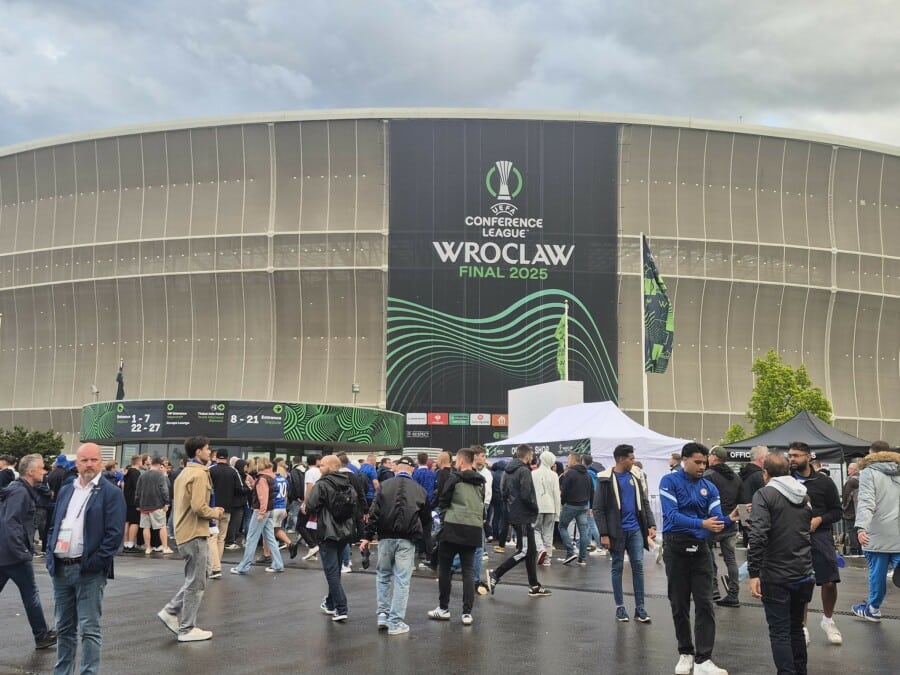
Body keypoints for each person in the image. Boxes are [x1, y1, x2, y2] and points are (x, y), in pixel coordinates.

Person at [46, 442, 126, 675]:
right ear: (77, 463)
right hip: (61, 569)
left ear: (100, 462)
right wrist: (52, 557)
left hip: (88, 571)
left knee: (89, 629)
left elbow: (114, 536)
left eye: (93, 460)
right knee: (64, 628)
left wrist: (94, 563)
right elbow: (54, 526)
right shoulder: (67, 489)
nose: (89, 465)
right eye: (84, 460)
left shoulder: (110, 492)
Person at [660, 442, 734, 675]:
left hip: (701, 548)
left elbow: (716, 521)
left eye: (705, 462)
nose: (702, 466)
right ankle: (685, 653)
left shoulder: (709, 487)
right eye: (698, 462)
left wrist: (730, 518)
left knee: (705, 603)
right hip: (675, 547)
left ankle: (704, 660)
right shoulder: (669, 481)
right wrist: (701, 524)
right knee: (679, 603)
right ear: (684, 460)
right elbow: (671, 516)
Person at [746, 452, 815, 675]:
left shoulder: (764, 495)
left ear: (766, 474)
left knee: (779, 631)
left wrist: (753, 572)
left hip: (776, 574)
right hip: (803, 571)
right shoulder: (803, 495)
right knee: (796, 628)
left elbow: (758, 536)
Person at [157, 437, 224, 643]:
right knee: (197, 582)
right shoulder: (199, 474)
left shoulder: (185, 472)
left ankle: (171, 612)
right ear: (198, 452)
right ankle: (186, 628)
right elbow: (198, 507)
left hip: (185, 531)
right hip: (194, 532)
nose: (209, 451)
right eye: (206, 449)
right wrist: (216, 512)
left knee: (199, 575)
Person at [361, 456, 431, 635]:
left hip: (385, 538)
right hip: (407, 539)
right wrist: (424, 541)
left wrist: (367, 536)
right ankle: (395, 622)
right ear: (412, 470)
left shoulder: (384, 486)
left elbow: (374, 512)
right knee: (402, 580)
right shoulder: (420, 490)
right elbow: (426, 519)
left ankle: (382, 614)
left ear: (395, 468)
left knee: (383, 575)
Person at [788, 441, 843, 645]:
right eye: (790, 455)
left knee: (829, 581)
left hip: (820, 535)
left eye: (796, 456)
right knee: (802, 581)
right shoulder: (785, 480)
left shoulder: (824, 482)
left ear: (808, 457)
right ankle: (801, 625)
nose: (792, 459)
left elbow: (837, 511)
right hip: (793, 536)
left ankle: (828, 620)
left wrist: (820, 519)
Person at [0, 454, 57, 650]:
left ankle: (42, 634)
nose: (45, 471)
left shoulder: (18, 490)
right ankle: (41, 635)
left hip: (6, 553)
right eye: (41, 468)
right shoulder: (20, 493)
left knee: (30, 593)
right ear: (31, 472)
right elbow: (11, 523)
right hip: (14, 555)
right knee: (30, 594)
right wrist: (22, 551)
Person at [594, 444, 656, 623]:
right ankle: (620, 607)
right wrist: (604, 534)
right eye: (631, 458)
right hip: (616, 531)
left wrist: (650, 523)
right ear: (621, 459)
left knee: (638, 566)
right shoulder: (605, 479)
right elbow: (598, 509)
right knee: (618, 567)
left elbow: (644, 502)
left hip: (635, 529)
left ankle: (640, 608)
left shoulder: (635, 476)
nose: (634, 461)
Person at [488, 444, 551, 597]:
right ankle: (495, 575)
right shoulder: (524, 471)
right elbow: (526, 494)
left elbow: (503, 492)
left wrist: (510, 507)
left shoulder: (507, 471)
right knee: (524, 551)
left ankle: (534, 585)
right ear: (528, 456)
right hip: (523, 515)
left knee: (531, 551)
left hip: (513, 513)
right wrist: (535, 508)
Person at [430, 448, 485, 624]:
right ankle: (467, 613)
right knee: (468, 571)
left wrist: (444, 519)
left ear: (460, 461)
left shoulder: (454, 478)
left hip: (453, 527)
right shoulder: (480, 482)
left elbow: (443, 501)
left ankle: (444, 608)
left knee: (445, 569)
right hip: (473, 529)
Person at [306, 455, 358, 622]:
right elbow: (356, 504)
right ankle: (330, 603)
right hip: (345, 532)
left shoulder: (322, 484)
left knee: (331, 572)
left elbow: (311, 506)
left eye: (322, 466)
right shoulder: (348, 483)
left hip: (327, 532)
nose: (320, 468)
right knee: (335, 571)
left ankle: (341, 607)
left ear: (330, 467)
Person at [851, 447, 900, 622]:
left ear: (871, 454)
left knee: (877, 572)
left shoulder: (868, 472)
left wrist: (861, 527)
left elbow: (866, 501)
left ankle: (873, 608)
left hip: (877, 532)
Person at [231, 457, 284, 574]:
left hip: (261, 511)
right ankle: (278, 564)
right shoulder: (271, 477)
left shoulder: (262, 479)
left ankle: (243, 567)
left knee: (251, 539)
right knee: (270, 538)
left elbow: (262, 497)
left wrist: (261, 512)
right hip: (269, 511)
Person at [704, 446, 742, 607]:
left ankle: (713, 590)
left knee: (708, 557)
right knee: (731, 560)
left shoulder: (708, 475)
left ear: (713, 457)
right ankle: (733, 593)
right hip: (731, 522)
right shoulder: (736, 477)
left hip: (713, 522)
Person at [208, 449, 243, 578]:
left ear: (216, 457)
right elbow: (239, 489)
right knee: (221, 538)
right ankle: (218, 564)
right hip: (227, 508)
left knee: (212, 537)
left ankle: (215, 566)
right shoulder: (233, 471)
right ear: (227, 458)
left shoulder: (210, 470)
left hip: (213, 508)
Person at [558, 453, 594, 566]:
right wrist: (591, 506)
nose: (567, 462)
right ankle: (582, 558)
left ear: (574, 460)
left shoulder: (571, 473)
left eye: (568, 459)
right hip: (584, 506)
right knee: (583, 532)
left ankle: (570, 552)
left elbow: (565, 490)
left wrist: (562, 502)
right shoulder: (587, 474)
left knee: (562, 527)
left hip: (571, 505)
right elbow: (592, 491)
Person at [134, 456, 173, 555]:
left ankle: (148, 548)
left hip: (144, 505)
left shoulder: (142, 475)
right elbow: (164, 490)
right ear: (160, 465)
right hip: (157, 505)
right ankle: (165, 547)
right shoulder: (160, 475)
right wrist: (167, 503)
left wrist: (137, 503)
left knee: (146, 527)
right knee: (162, 526)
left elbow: (137, 491)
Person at [532, 450, 561, 566]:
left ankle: (540, 548)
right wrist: (558, 512)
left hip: (537, 507)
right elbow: (556, 494)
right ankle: (547, 559)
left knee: (536, 530)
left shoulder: (533, 473)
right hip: (551, 507)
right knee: (548, 533)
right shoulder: (554, 475)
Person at [738, 445, 768, 547]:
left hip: (743, 512)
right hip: (755, 517)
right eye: (767, 457)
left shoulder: (742, 473)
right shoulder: (760, 475)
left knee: (748, 548)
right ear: (762, 459)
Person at [121, 455, 143, 551]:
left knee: (126, 522)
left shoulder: (127, 473)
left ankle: (125, 544)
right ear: (138, 462)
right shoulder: (136, 473)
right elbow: (137, 488)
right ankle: (131, 544)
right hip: (134, 502)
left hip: (125, 500)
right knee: (134, 522)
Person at [841, 463, 861, 556]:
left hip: (851, 511)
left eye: (850, 468)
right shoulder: (862, 479)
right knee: (859, 530)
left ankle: (854, 550)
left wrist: (844, 507)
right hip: (860, 510)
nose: (848, 470)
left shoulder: (851, 481)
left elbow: (846, 496)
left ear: (854, 470)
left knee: (852, 530)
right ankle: (861, 550)